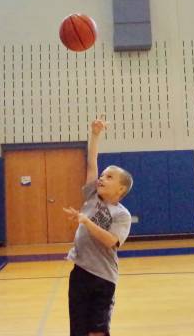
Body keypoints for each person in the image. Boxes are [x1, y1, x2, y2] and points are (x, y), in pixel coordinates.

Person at [63, 115, 133, 336]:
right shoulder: (92, 195)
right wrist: (95, 135)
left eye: (109, 177)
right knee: (78, 329)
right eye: (102, 176)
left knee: (98, 331)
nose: (101, 178)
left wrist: (86, 221)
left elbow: (111, 241)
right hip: (80, 272)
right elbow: (92, 162)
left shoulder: (122, 215)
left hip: (103, 277)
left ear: (121, 190)